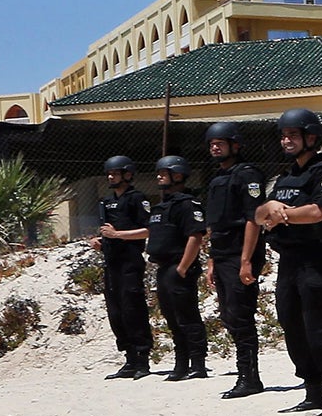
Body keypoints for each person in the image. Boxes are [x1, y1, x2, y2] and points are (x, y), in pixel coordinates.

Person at [254, 108, 322, 415]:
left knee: (320, 323)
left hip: (317, 255)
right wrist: (270, 207)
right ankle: (312, 390)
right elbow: (258, 216)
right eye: (283, 136)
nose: (287, 141)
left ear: (311, 137)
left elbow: (318, 211)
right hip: (289, 259)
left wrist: (282, 215)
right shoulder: (285, 178)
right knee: (292, 323)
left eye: (293, 135)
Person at [204, 121, 267, 399]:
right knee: (229, 315)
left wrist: (245, 261)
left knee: (241, 315)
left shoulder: (247, 175)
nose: (215, 147)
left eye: (221, 142)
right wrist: (211, 261)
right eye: (212, 144)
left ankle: (250, 377)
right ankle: (245, 374)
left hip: (241, 253)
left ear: (235, 145)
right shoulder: (217, 179)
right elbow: (215, 225)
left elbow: (254, 219)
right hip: (222, 253)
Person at [145, 156, 208, 380]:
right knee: (172, 318)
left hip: (179, 267)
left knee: (187, 316)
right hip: (163, 268)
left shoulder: (187, 204)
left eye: (164, 173)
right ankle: (181, 363)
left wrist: (183, 268)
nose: (159, 177)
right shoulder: (161, 207)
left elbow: (195, 236)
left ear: (178, 175)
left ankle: (198, 364)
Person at [93, 155, 155, 378]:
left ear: (128, 175)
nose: (111, 177)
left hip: (130, 261)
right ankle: (128, 358)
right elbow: (107, 231)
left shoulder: (137, 199)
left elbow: (148, 230)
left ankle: (142, 360)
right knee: (116, 311)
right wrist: (101, 241)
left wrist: (118, 235)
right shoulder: (106, 202)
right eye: (109, 173)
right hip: (112, 262)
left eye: (115, 173)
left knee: (133, 309)